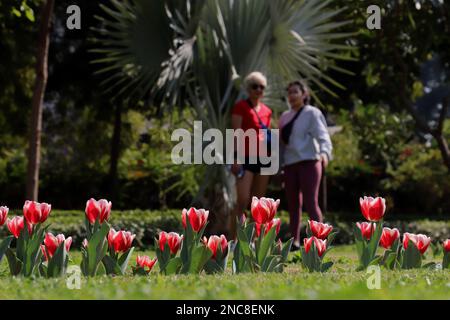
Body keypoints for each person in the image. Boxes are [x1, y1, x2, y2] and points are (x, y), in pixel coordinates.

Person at [279, 80, 332, 250]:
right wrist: (278, 166)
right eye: (290, 92)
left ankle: (319, 240)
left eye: (296, 91)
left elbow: (322, 134)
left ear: (304, 94)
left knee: (311, 202)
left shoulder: (312, 113)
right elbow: (281, 145)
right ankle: (294, 241)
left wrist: (325, 153)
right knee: (293, 204)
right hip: (290, 164)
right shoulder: (284, 117)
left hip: (309, 161)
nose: (292, 95)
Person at [228, 71, 273, 239]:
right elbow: (236, 133)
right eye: (255, 86)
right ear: (248, 88)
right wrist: (235, 159)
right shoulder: (240, 107)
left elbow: (266, 134)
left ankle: (254, 242)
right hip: (245, 158)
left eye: (262, 87)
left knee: (258, 204)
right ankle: (233, 240)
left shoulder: (267, 111)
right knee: (242, 201)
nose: (259, 90)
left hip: (263, 158)